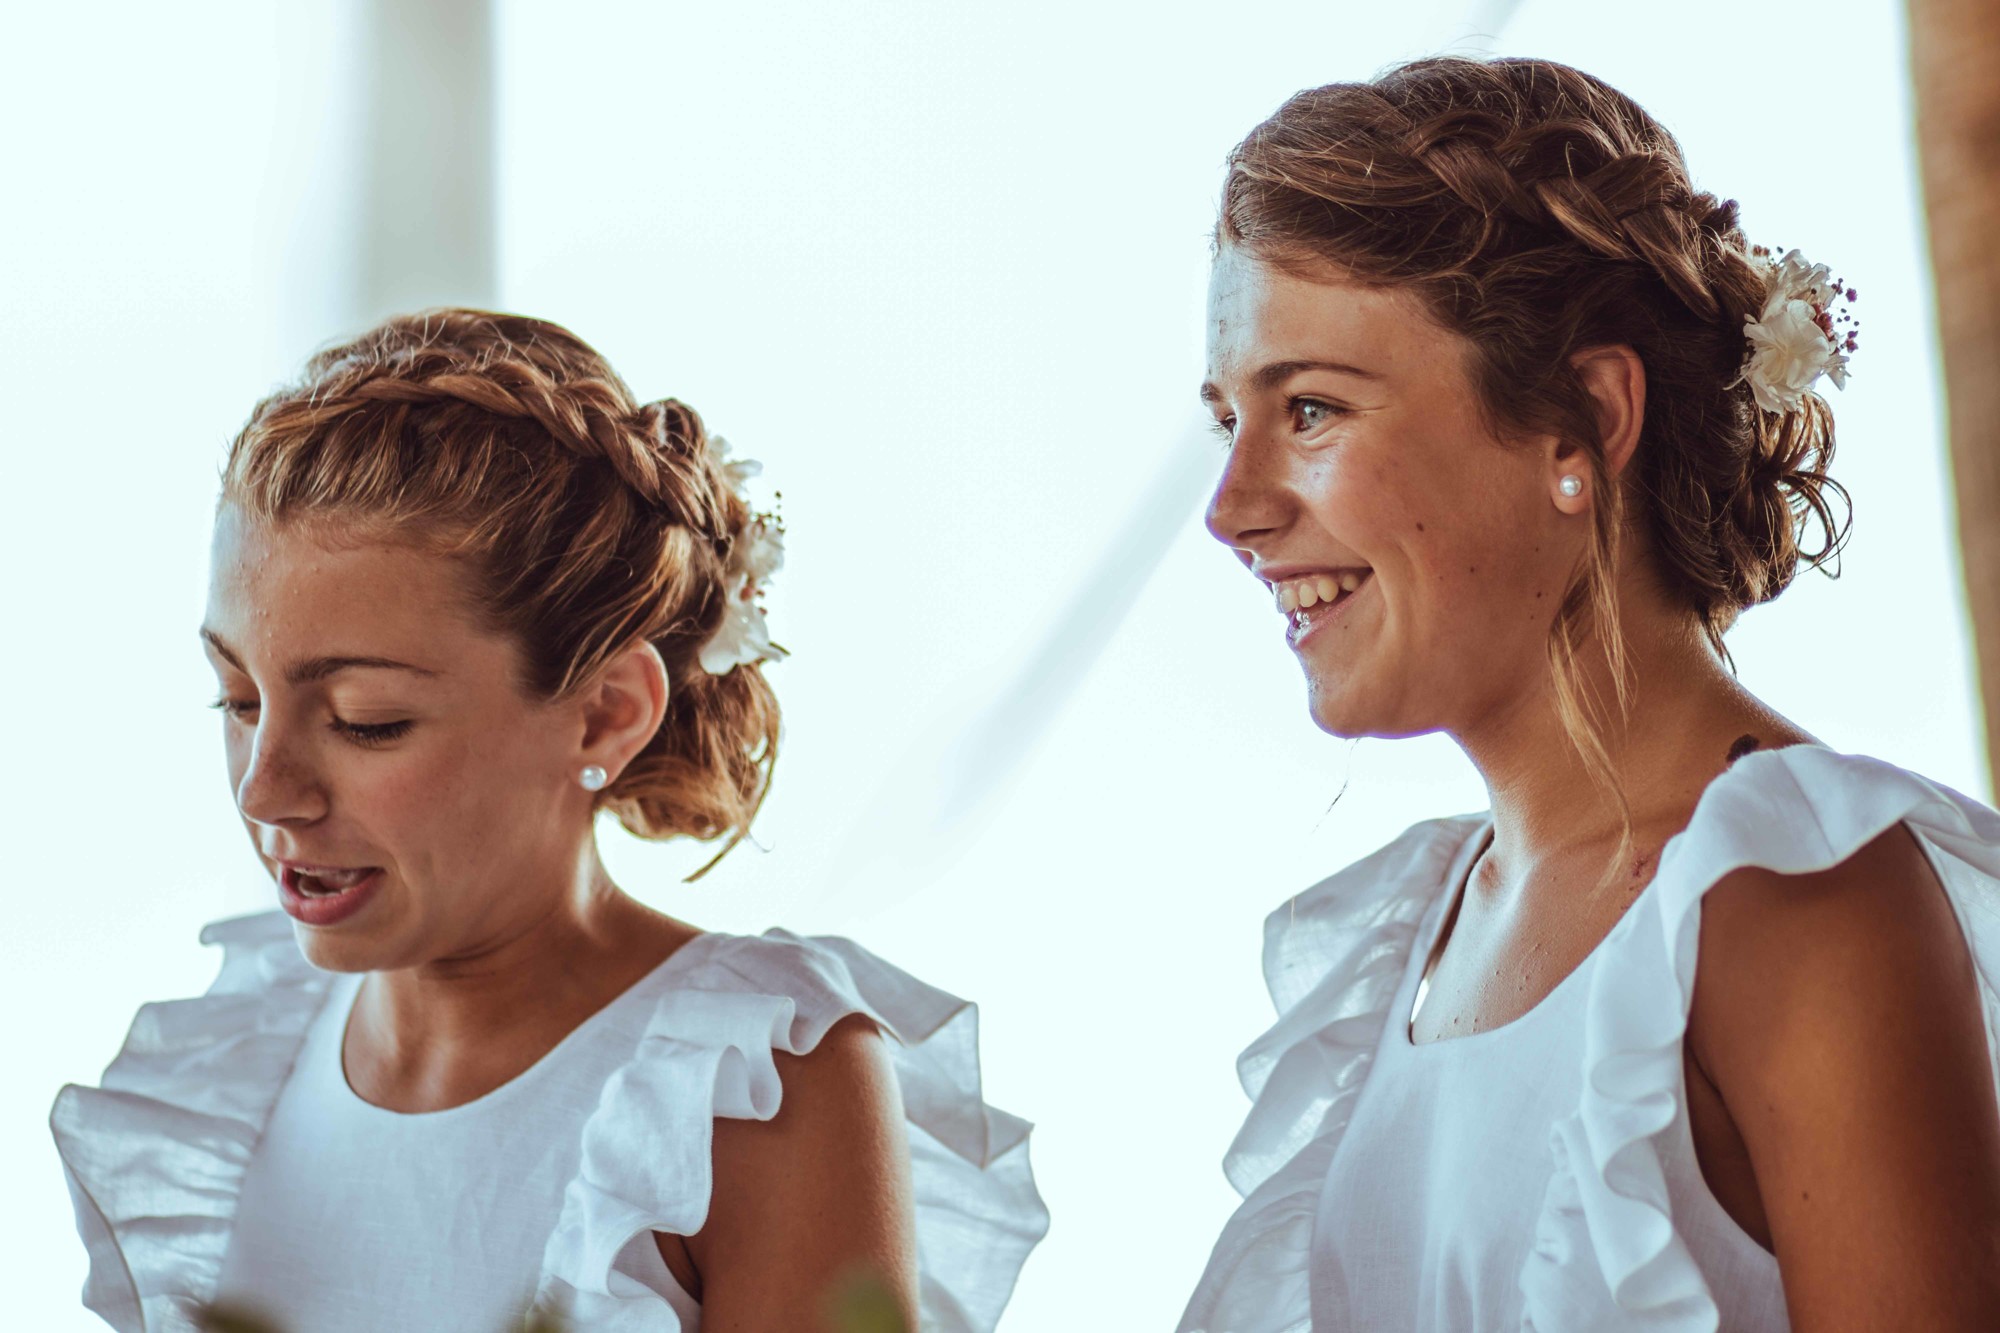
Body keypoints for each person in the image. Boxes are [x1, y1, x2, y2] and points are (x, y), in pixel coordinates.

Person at [1181, 56, 2000, 1333]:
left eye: (1312, 409)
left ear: (1583, 419)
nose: (1230, 508)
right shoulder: (1408, 938)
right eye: (1225, 421)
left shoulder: (1787, 893)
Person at [50, 311, 1046, 1333]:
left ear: (606, 712)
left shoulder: (748, 1078)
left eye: (366, 719)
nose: (265, 791)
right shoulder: (240, 1058)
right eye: (238, 700)